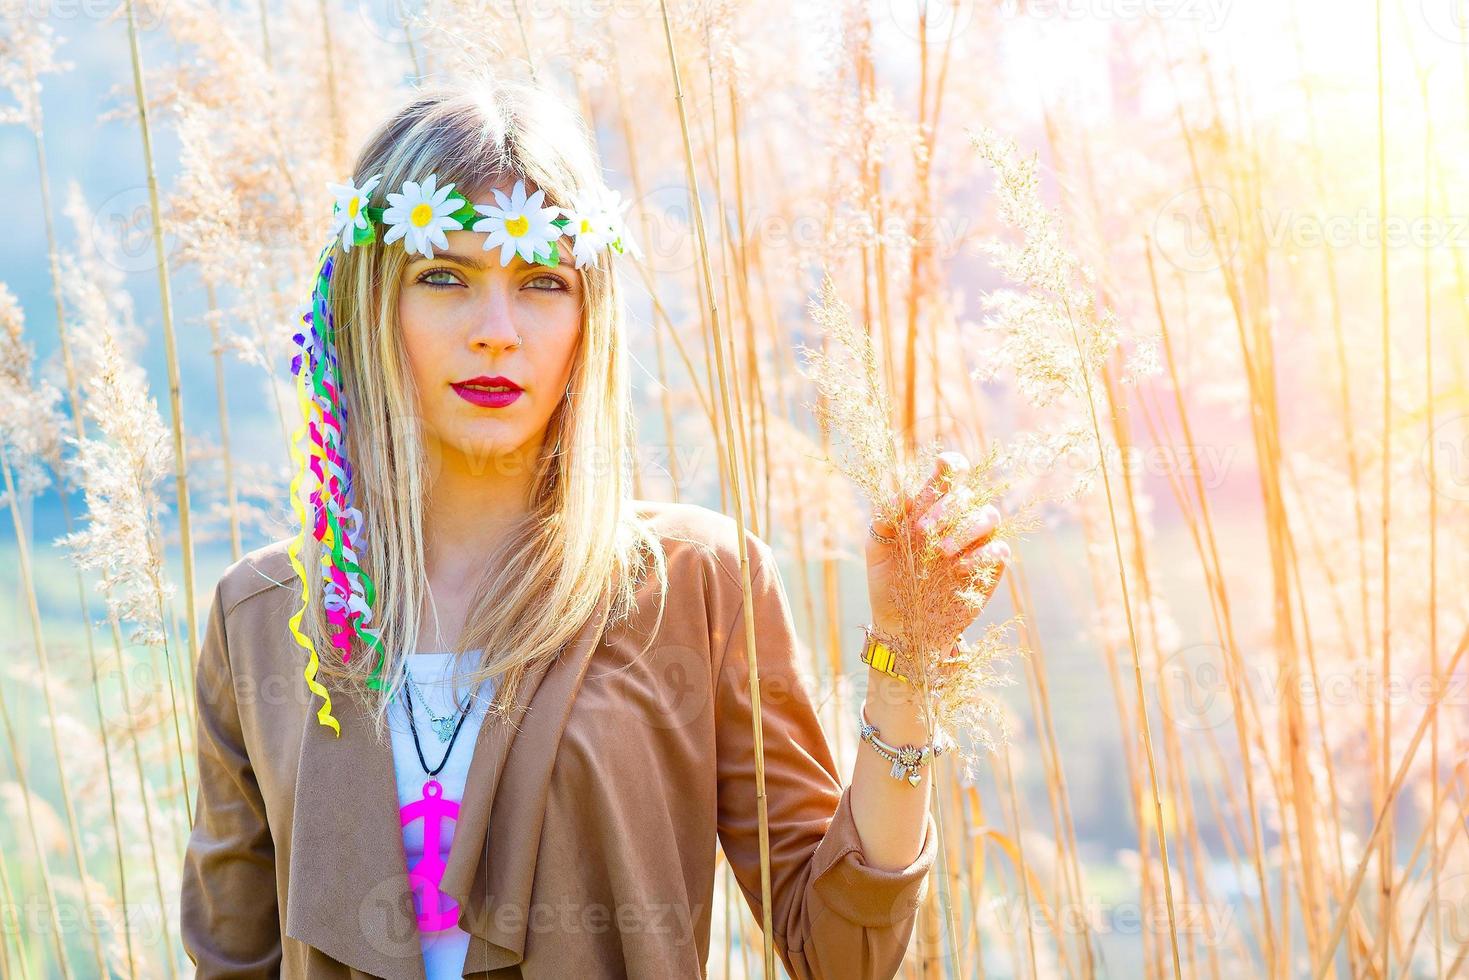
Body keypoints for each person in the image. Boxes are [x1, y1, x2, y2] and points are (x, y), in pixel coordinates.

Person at [180, 72, 1010, 979]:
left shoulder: (698, 585)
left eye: (541, 281)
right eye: (443, 275)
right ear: (371, 306)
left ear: (590, 317)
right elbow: (233, 960)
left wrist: (907, 658)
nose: (496, 330)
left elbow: (843, 953)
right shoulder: (260, 615)